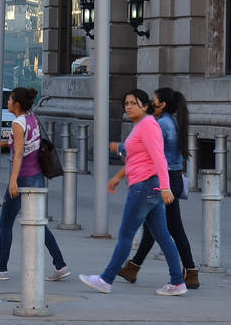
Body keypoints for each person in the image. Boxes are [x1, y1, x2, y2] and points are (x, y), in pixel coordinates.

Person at [79, 89, 187, 296]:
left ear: (145, 106)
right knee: (163, 235)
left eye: (133, 103)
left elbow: (159, 158)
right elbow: (136, 156)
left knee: (126, 235)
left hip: (145, 187)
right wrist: (118, 177)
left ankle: (105, 279)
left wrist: (165, 187)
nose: (128, 107)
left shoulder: (148, 125)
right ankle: (177, 282)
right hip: (148, 186)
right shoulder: (143, 124)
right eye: (126, 103)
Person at [0, 87, 70, 282]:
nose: (8, 102)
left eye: (10, 99)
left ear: (17, 104)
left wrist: (13, 180)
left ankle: (1, 269)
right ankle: (60, 264)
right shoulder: (32, 119)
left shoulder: (17, 123)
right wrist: (5, 143)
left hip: (23, 178)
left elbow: (19, 153)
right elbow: (29, 145)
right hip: (36, 176)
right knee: (39, 224)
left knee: (5, 222)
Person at [114, 87, 199, 290]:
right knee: (154, 228)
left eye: (154, 101)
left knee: (170, 228)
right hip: (172, 178)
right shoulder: (171, 122)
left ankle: (189, 271)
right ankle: (133, 267)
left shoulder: (160, 124)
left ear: (162, 104)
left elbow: (148, 150)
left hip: (164, 180)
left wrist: (119, 147)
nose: (151, 104)